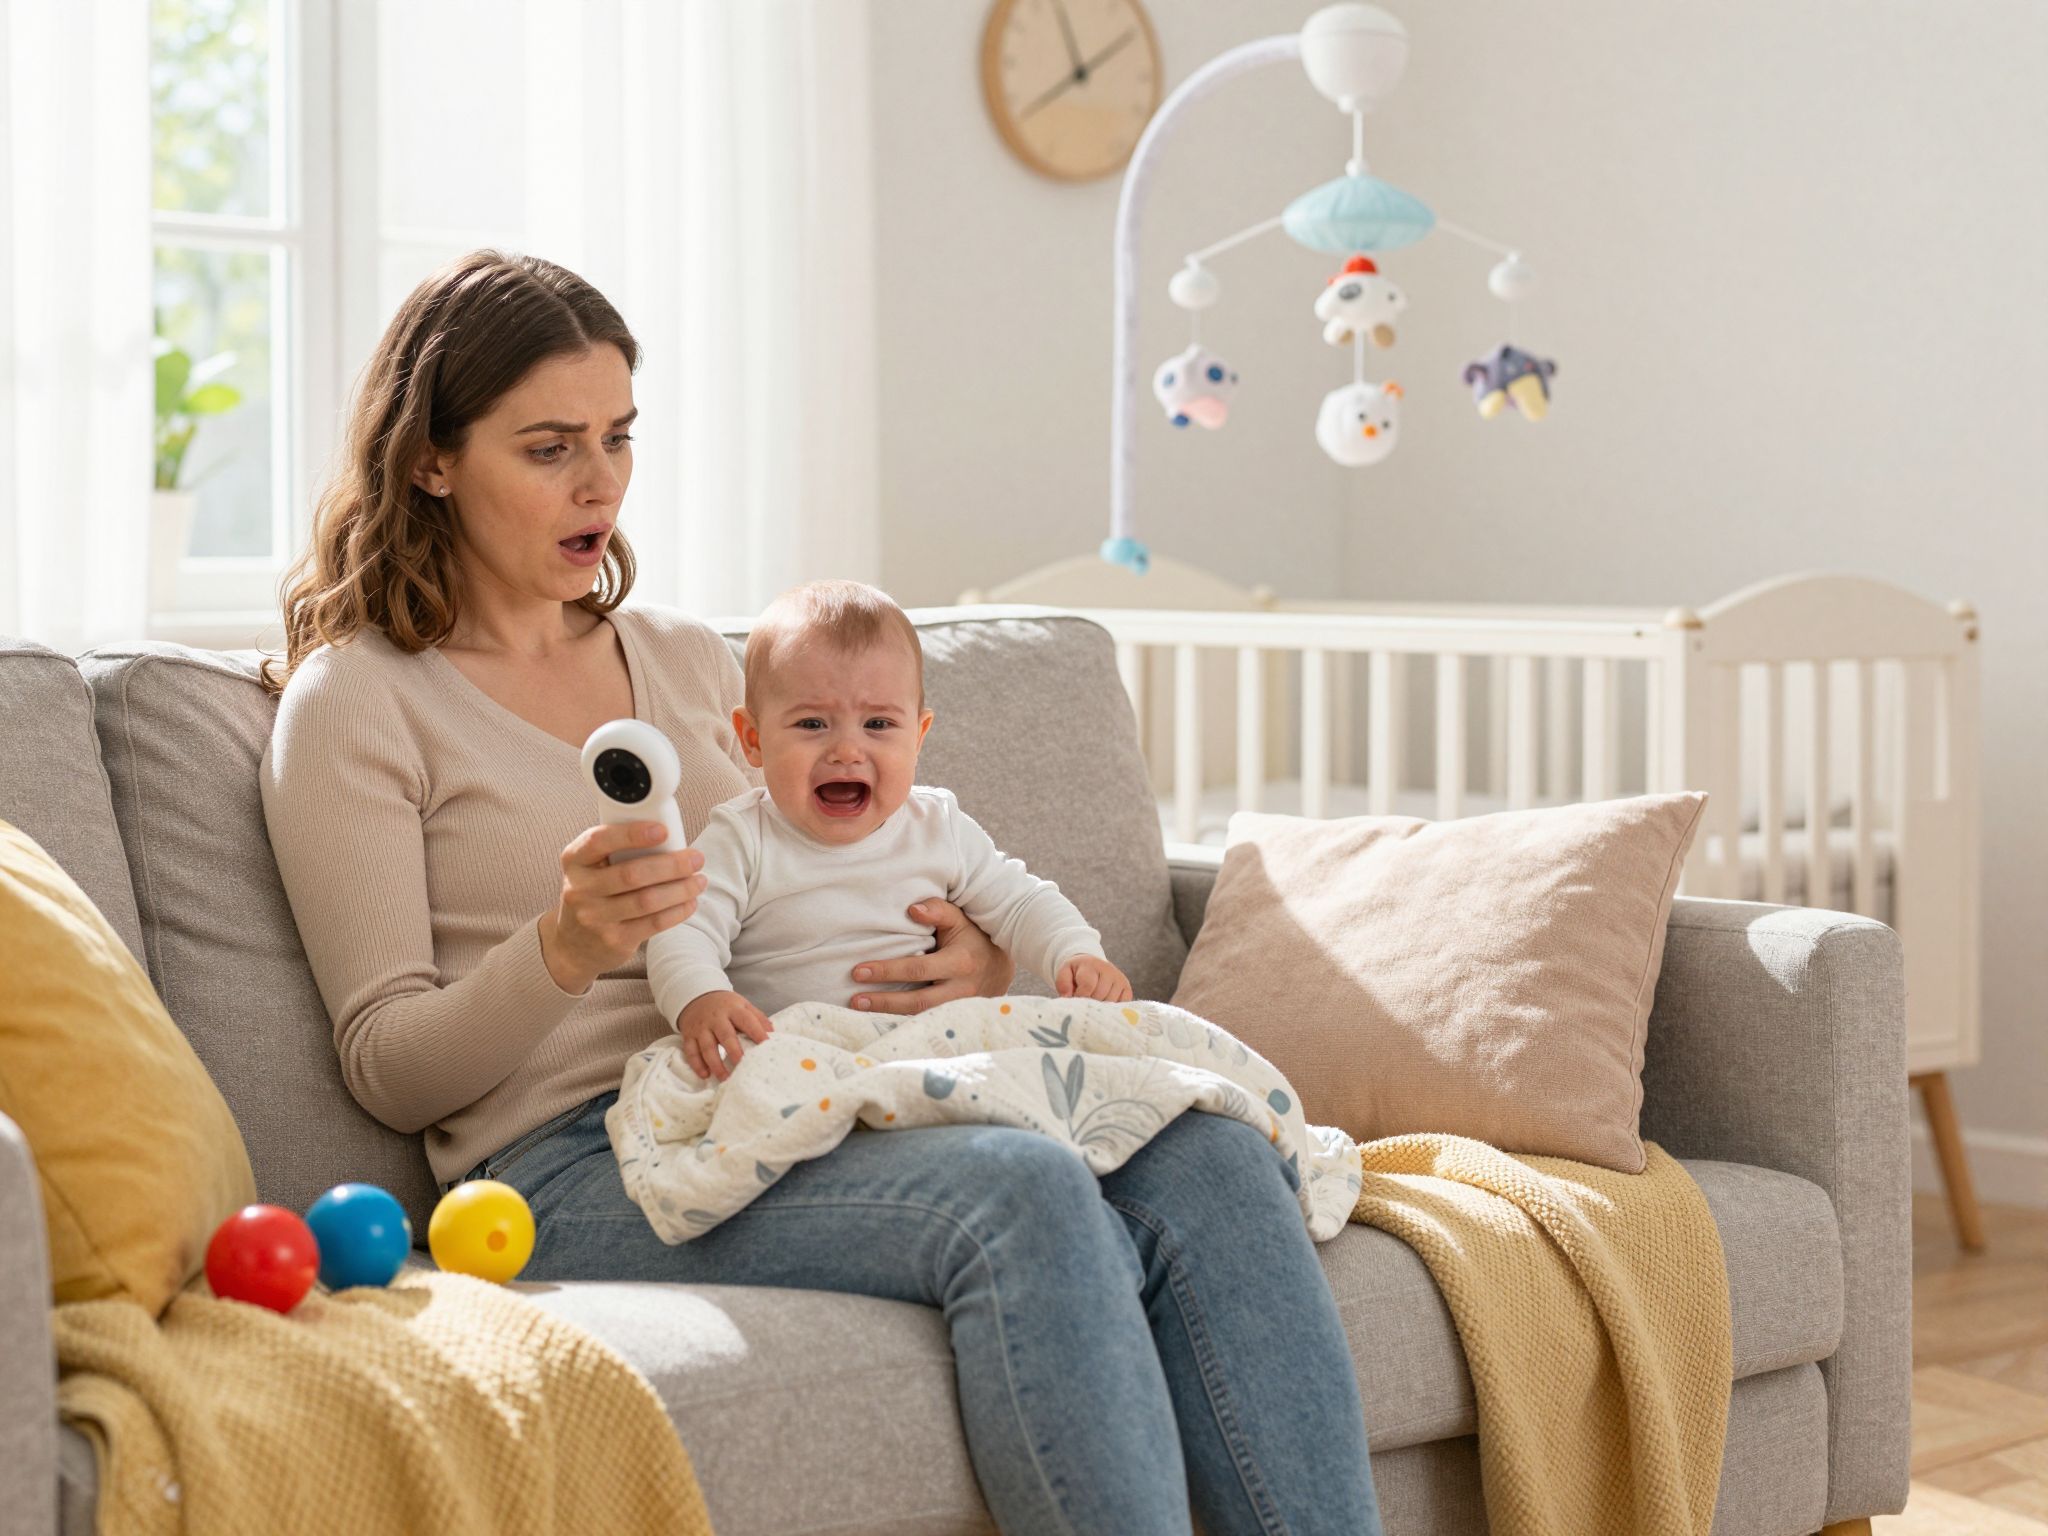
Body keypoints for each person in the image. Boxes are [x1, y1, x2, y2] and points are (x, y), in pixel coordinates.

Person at [258, 249, 1382, 1536]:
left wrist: (971, 961)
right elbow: (387, 1069)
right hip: (568, 1163)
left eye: (619, 438)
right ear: (430, 460)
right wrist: (561, 951)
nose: (600, 484)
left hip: (805, 1083)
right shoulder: (357, 701)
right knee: (1022, 1196)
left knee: (1208, 1153)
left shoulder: (689, 658)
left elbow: (858, 860)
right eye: (549, 447)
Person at [651, 578, 1133, 1085]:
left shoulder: (937, 827)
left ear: (918, 736)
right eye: (812, 724)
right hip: (794, 1059)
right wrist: (700, 997)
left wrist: (1075, 953)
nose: (847, 751)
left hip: (927, 1053)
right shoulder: (743, 838)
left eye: (878, 725)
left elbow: (1021, 903)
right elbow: (683, 931)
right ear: (753, 739)